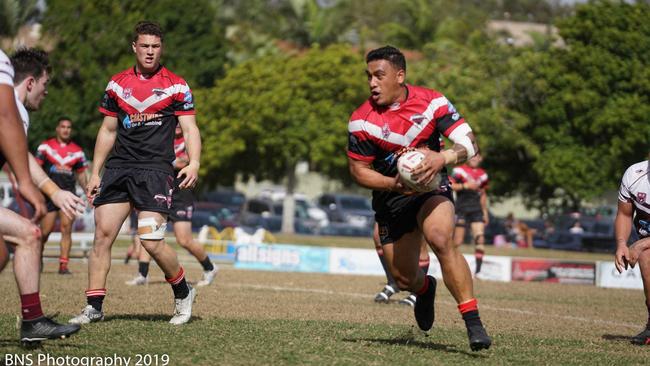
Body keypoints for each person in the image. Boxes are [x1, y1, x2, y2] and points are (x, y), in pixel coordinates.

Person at [347, 46, 490, 351]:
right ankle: (424, 289)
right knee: (403, 279)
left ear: (400, 76)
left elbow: (469, 142)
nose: (372, 83)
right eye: (369, 76)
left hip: (430, 189)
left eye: (379, 75)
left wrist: (444, 157)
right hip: (391, 198)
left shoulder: (433, 102)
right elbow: (359, 171)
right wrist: (393, 183)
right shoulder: (361, 120)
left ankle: (473, 322)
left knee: (441, 238)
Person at [69, 21, 202, 326]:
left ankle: (183, 291)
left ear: (161, 48)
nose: (150, 52)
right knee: (102, 236)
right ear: (134, 47)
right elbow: (107, 130)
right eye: (145, 46)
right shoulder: (117, 84)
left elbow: (190, 128)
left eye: (155, 47)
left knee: (151, 240)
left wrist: (193, 162)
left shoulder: (177, 85)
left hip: (156, 169)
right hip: (119, 168)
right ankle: (94, 306)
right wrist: (94, 172)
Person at [0, 48, 81, 345]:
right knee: (28, 235)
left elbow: (19, 152)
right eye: (45, 86)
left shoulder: (16, 112)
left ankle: (33, 321)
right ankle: (33, 321)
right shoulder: (13, 108)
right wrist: (38, 187)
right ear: (31, 83)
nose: (46, 94)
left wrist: (54, 192)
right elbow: (19, 152)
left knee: (25, 237)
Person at [125, 123, 217, 287]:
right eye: (173, 122)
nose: (176, 125)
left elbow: (184, 163)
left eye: (179, 122)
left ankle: (210, 268)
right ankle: (142, 274)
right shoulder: (162, 138)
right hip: (161, 189)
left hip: (181, 194)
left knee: (184, 240)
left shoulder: (189, 140)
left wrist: (163, 161)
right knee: (149, 232)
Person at [35, 117, 89, 274]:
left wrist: (88, 191)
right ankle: (37, 260)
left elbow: (81, 175)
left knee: (67, 229)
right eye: (63, 126)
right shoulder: (45, 147)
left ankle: (63, 266)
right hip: (49, 195)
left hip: (69, 195)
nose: (66, 129)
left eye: (69, 127)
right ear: (57, 129)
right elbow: (36, 169)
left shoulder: (78, 151)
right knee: (45, 232)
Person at [614, 159, 650, 345]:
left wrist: (640, 244)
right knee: (647, 257)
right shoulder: (635, 174)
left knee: (644, 250)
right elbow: (625, 214)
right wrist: (621, 243)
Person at [373, 222, 430, 307]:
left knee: (419, 243)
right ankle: (392, 283)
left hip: (413, 209)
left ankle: (417, 293)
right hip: (388, 209)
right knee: (378, 237)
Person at [450, 153, 489, 275]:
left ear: (481, 158)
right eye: (472, 156)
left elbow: (483, 193)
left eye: (477, 157)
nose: (474, 159)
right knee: (457, 242)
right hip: (462, 208)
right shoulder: (459, 171)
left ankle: (478, 272)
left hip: (476, 209)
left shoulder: (483, 175)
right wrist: (466, 185)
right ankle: (451, 267)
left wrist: (485, 212)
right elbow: (451, 185)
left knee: (480, 238)